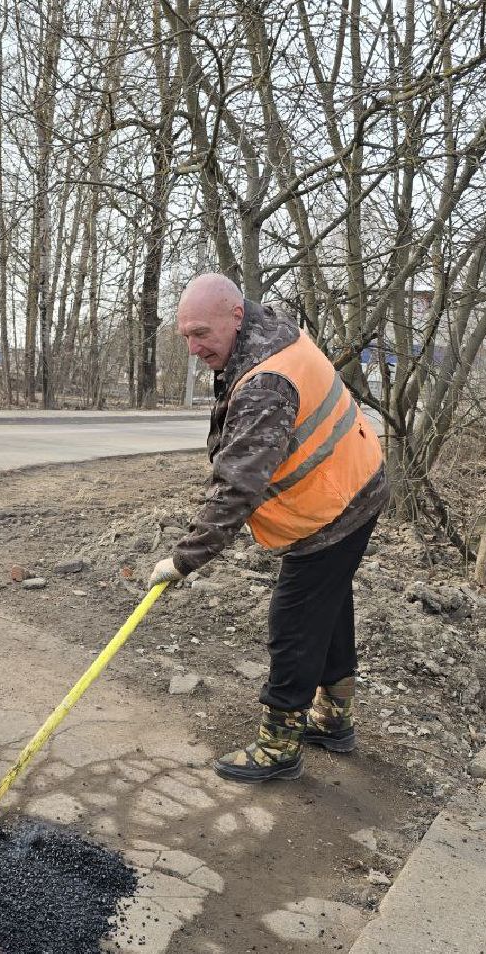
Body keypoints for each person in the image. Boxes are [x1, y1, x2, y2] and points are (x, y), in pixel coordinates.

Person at [150, 274, 389, 784]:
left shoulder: (266, 382)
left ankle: (280, 744)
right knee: (328, 604)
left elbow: (237, 488)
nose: (194, 349)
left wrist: (183, 559)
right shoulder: (263, 333)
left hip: (333, 509)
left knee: (295, 621)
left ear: (235, 316)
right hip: (354, 485)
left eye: (201, 334)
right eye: (185, 337)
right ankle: (334, 718)